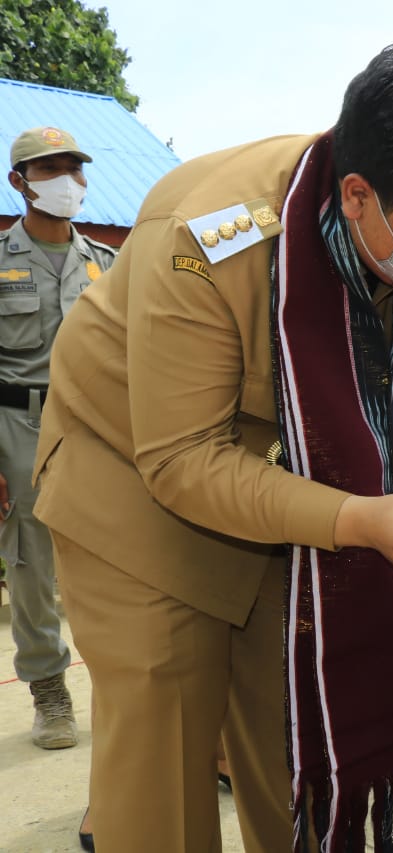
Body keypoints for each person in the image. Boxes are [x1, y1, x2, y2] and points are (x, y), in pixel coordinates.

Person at [33, 36, 393, 853]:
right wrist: (360, 520)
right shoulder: (209, 238)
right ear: (360, 195)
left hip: (304, 481)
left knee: (296, 733)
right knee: (168, 750)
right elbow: (182, 459)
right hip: (134, 485)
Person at [1, 126, 115, 752]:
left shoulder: (105, 261)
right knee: (30, 559)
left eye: (74, 168)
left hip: (94, 426)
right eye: (50, 170)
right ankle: (49, 688)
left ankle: (124, 682)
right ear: (20, 182)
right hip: (18, 423)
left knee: (113, 555)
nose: (67, 181)